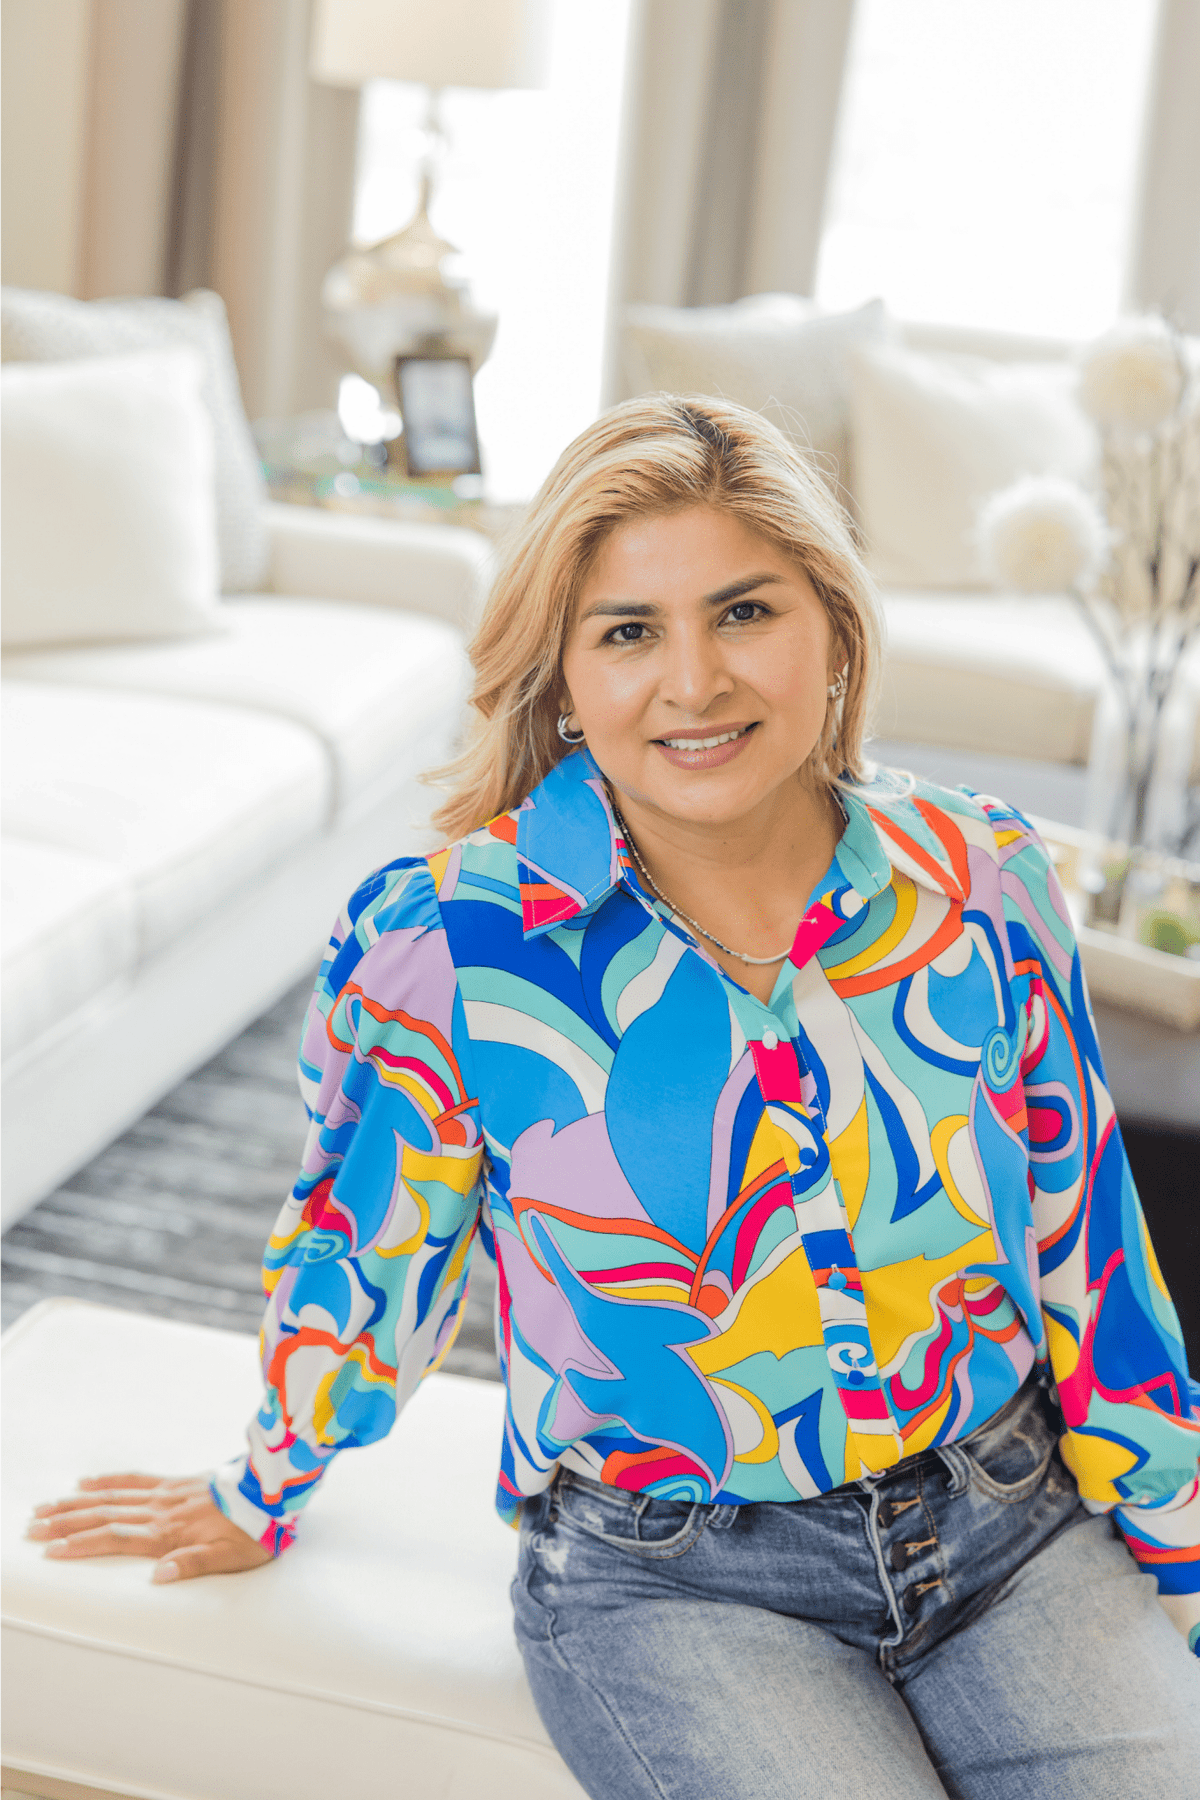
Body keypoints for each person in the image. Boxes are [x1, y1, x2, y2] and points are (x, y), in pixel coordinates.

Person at [29, 398, 1200, 1797]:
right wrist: (264, 1482)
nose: (693, 681)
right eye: (629, 631)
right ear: (563, 676)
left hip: (1011, 1525)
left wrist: (1178, 1527)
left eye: (745, 611)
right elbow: (372, 1249)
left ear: (833, 625)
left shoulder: (980, 876)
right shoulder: (452, 945)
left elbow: (1084, 1232)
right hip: (676, 1583)